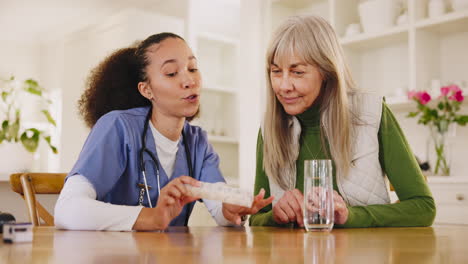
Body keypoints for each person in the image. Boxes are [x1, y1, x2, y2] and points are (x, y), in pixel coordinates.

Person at [54, 32, 273, 231]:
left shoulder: (197, 142)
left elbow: (218, 204)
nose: (189, 80)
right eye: (171, 73)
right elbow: (67, 211)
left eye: (193, 68)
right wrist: (150, 217)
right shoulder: (118, 127)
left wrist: (230, 208)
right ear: (146, 89)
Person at [249, 16, 436, 228]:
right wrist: (275, 216)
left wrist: (351, 216)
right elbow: (256, 218)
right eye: (275, 72)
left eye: (297, 72)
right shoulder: (269, 129)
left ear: (327, 72)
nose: (283, 86)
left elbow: (423, 208)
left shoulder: (371, 113)